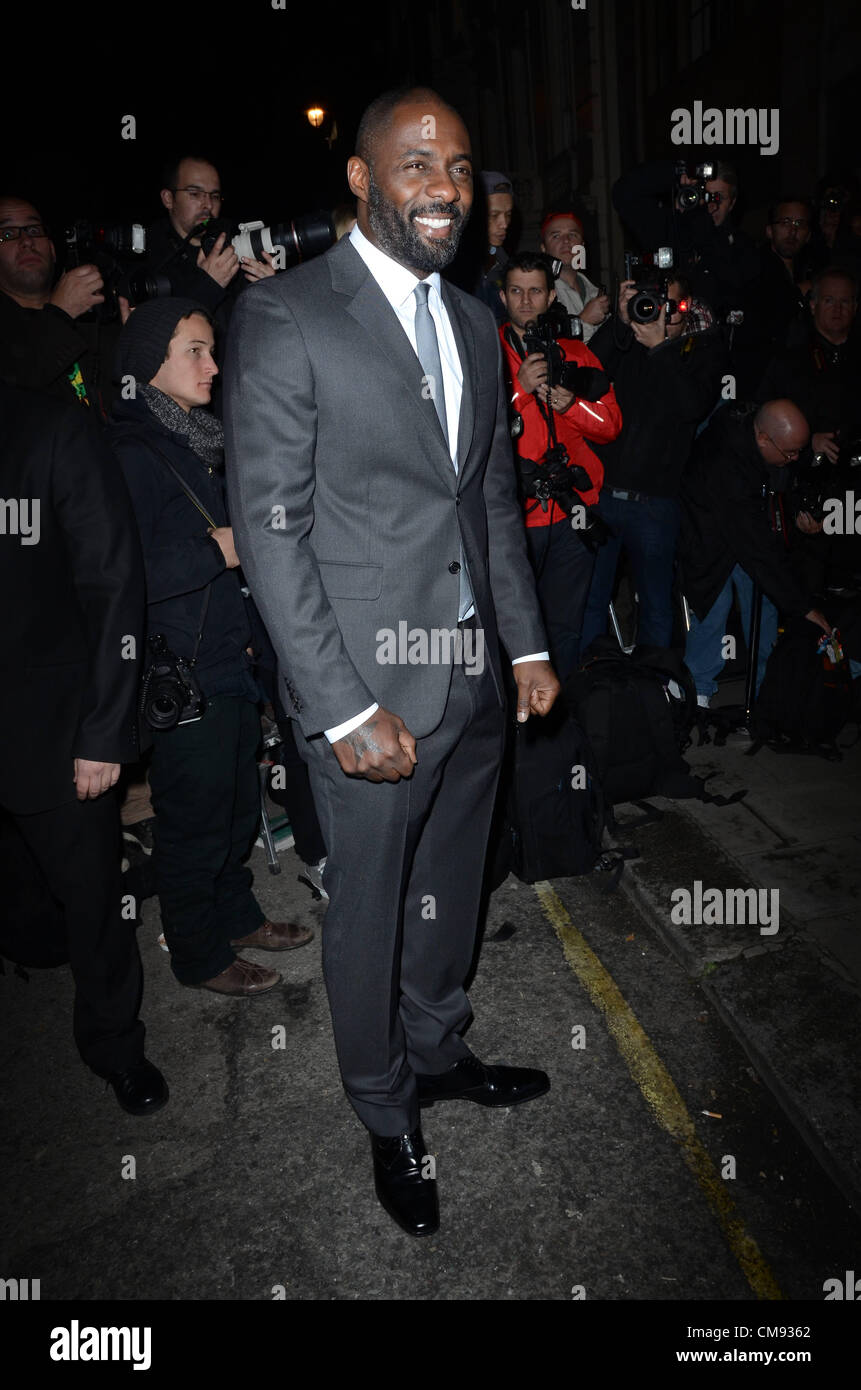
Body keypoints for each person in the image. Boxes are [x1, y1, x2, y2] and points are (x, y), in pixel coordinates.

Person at [224, 86, 560, 1237]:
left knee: (453, 885)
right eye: (417, 164)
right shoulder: (289, 315)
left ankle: (438, 1047)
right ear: (362, 180)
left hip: (471, 677)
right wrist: (342, 705)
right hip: (368, 692)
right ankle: (385, 1109)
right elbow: (270, 529)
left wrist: (524, 644)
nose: (445, 189)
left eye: (461, 168)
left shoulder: (470, 319)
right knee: (368, 910)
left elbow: (493, 505)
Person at [107, 298, 312, 999]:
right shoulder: (133, 452)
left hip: (228, 659)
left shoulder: (201, 441)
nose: (213, 364)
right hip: (180, 667)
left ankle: (238, 917)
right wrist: (214, 550)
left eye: (212, 349)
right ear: (148, 365)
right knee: (193, 821)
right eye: (194, 350)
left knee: (232, 807)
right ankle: (198, 953)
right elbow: (118, 574)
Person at [0, 382, 167, 1115]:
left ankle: (115, 1046)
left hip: (51, 729)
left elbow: (111, 581)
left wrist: (103, 730)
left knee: (94, 907)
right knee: (32, 920)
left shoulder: (47, 425)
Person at [581, 273, 725, 653]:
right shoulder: (626, 340)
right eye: (650, 301)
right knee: (591, 601)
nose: (658, 311)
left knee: (657, 606)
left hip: (655, 505)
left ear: (686, 306)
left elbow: (691, 406)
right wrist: (619, 322)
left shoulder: (700, 350)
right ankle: (592, 691)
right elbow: (589, 371)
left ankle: (657, 692)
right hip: (604, 497)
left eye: (670, 304)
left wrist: (661, 347)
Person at [498, 251, 622, 678]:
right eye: (516, 291)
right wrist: (518, 389)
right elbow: (468, 430)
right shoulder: (485, 352)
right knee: (515, 635)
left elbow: (610, 425)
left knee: (566, 631)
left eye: (535, 291)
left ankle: (563, 730)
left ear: (552, 296)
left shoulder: (576, 352)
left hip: (573, 512)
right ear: (503, 296)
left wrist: (571, 405)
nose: (526, 301)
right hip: (514, 519)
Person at [680, 399, 832, 705]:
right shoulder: (724, 462)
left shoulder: (767, 437)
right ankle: (697, 692)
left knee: (764, 605)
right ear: (762, 438)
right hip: (707, 531)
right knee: (713, 604)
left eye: (798, 451)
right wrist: (804, 607)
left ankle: (766, 691)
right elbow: (757, 548)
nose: (794, 458)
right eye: (789, 452)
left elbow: (785, 480)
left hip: (747, 524)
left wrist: (799, 512)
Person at [0, 195, 122, 413]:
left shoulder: (93, 315)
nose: (26, 241)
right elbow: (16, 390)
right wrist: (60, 314)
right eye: (7, 234)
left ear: (53, 251)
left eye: (34, 230)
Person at [539, 212, 610, 343]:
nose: (566, 241)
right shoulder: (537, 292)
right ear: (543, 248)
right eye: (556, 236)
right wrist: (583, 321)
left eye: (572, 235)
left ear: (582, 245)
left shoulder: (595, 292)